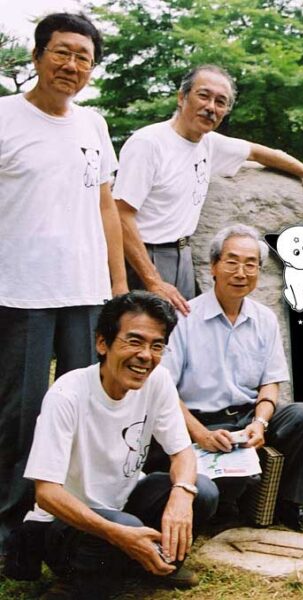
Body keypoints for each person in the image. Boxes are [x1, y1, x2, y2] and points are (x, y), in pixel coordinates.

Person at [0, 12, 128, 554]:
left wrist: (119, 290)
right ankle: (11, 530)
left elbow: (105, 207)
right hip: (20, 292)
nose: (71, 65)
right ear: (37, 55)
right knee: (21, 416)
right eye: (62, 52)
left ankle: (72, 524)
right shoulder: (4, 117)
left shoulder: (93, 124)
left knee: (85, 410)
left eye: (83, 58)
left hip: (86, 295)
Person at [7, 292, 218, 597]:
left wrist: (182, 497)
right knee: (123, 526)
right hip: (62, 523)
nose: (146, 355)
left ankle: (148, 564)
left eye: (156, 346)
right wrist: (118, 533)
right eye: (134, 341)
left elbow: (183, 452)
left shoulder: (157, 380)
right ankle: (76, 582)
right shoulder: (68, 395)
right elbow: (47, 493)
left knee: (201, 490)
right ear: (102, 343)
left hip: (121, 504)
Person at [112, 64, 303, 316]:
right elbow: (120, 214)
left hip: (183, 254)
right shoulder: (148, 143)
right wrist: (153, 281)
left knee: (180, 340)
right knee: (144, 342)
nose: (211, 107)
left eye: (220, 102)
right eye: (203, 96)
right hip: (144, 258)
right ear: (181, 97)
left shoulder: (210, 143)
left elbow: (261, 153)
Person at [161, 224, 303, 531]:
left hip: (247, 419)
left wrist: (260, 423)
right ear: (213, 266)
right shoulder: (184, 317)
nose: (241, 272)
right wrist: (200, 433)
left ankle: (288, 506)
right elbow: (164, 392)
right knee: (220, 508)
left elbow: (270, 382)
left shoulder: (264, 319)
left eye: (251, 264)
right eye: (232, 261)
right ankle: (225, 505)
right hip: (200, 422)